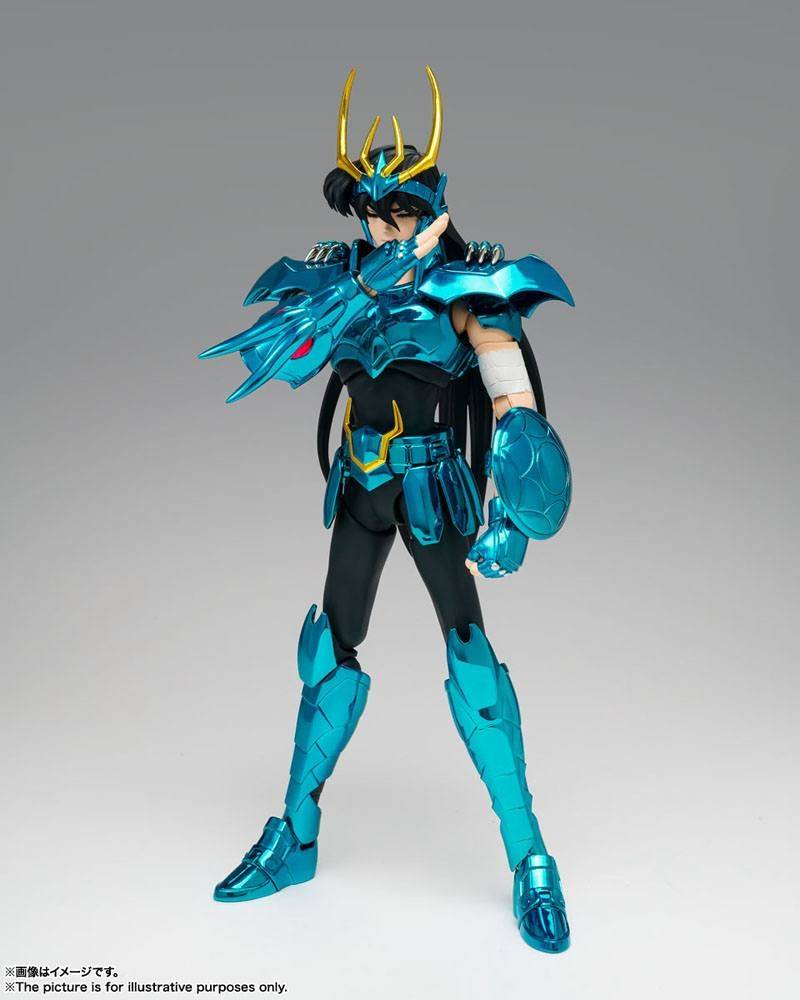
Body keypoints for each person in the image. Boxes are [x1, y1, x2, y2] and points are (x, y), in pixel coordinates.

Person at [200, 66, 574, 953]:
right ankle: (295, 836)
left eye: (399, 211)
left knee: (471, 658)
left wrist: (514, 513)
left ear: (432, 207)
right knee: (326, 651)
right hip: (361, 490)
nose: (380, 225)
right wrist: (367, 281)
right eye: (368, 210)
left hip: (435, 491)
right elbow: (299, 350)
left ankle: (529, 855)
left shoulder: (469, 286)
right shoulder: (337, 281)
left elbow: (513, 396)